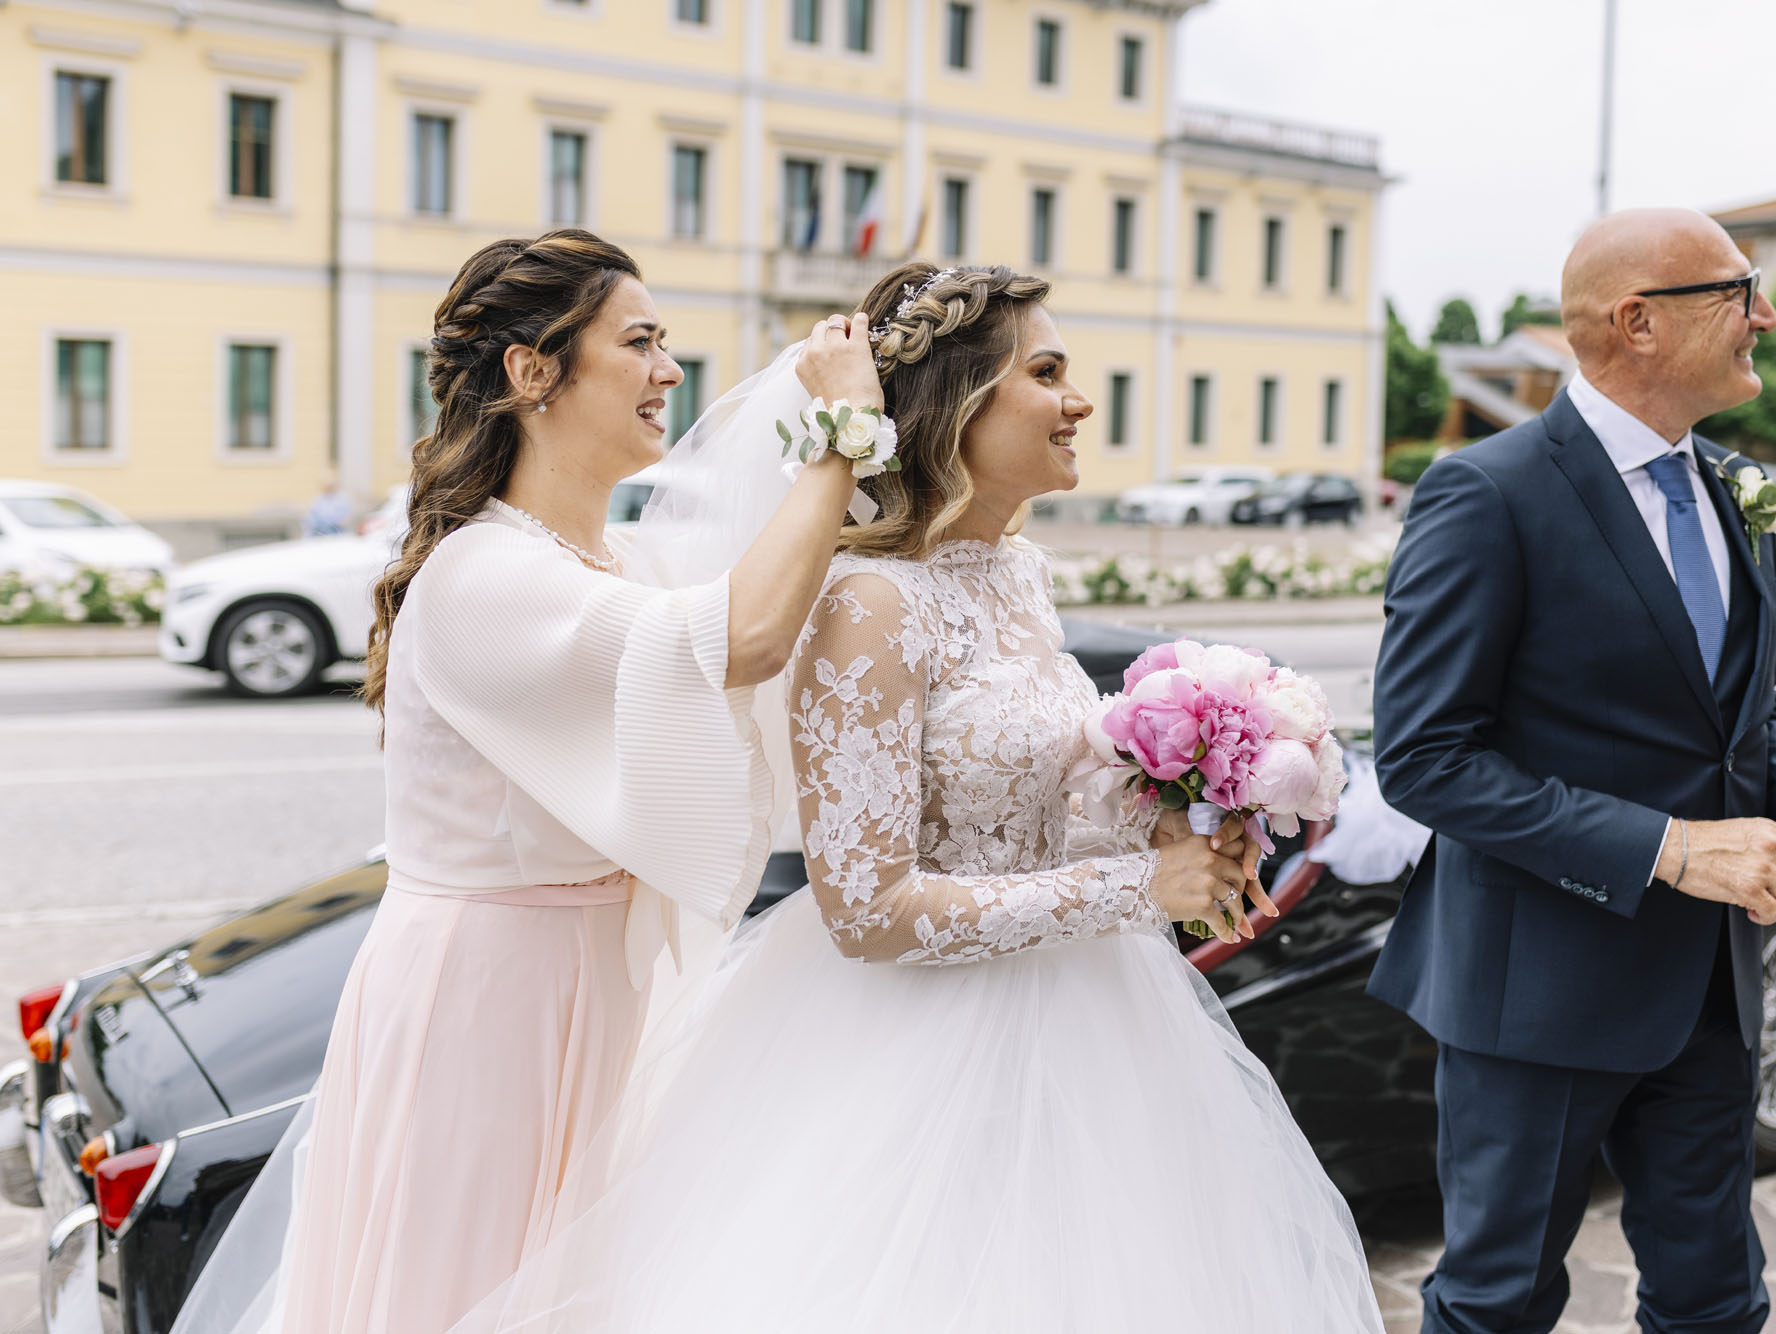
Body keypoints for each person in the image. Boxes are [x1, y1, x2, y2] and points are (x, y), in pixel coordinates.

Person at [444, 262, 1385, 1334]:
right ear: (956, 407)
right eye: (1047, 371)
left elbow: (1024, 795)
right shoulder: (870, 602)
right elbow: (868, 905)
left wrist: (1164, 808)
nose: (1078, 399)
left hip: (1091, 1021)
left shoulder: (1016, 571)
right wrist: (1140, 883)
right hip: (915, 1046)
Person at [170, 229, 884, 1334]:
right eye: (639, 342)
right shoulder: (481, 575)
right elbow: (737, 638)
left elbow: (762, 649)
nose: (669, 371)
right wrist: (844, 435)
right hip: (486, 997)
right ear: (531, 370)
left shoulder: (621, 562)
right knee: (470, 1290)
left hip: (593, 984)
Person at [1368, 208, 1776, 1334]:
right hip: (1536, 989)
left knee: (1714, 1299)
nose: (1767, 314)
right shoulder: (1486, 493)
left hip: (1708, 983)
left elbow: (1749, 711)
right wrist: (1674, 848)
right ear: (1635, 321)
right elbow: (1422, 755)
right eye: (1737, 290)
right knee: (1495, 1303)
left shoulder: (1736, 486)